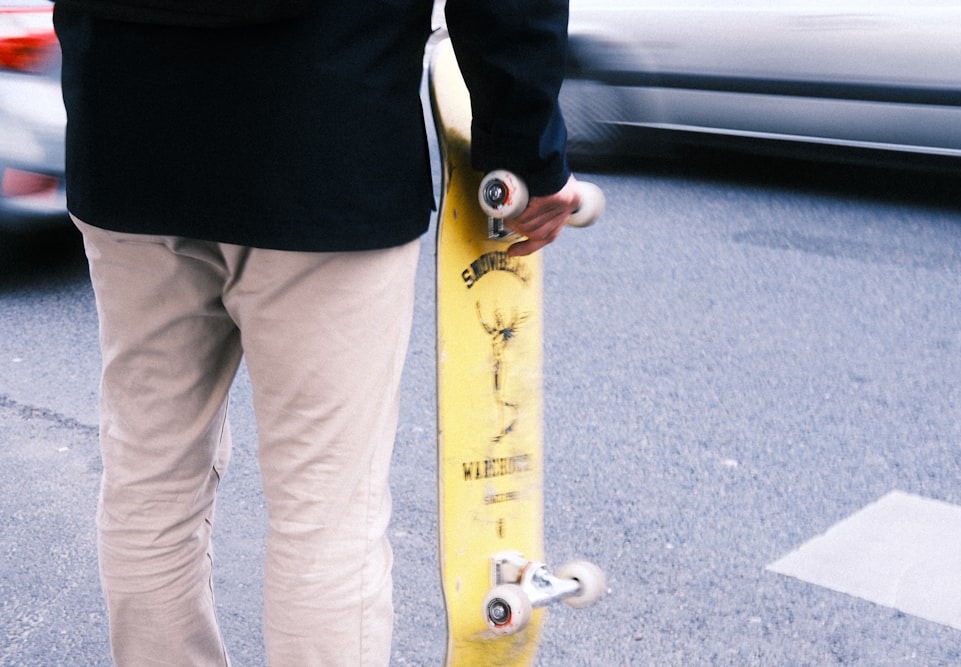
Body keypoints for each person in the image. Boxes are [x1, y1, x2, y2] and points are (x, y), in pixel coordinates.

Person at [53, 0, 581, 664]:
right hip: (330, 118)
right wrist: (525, 149)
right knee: (327, 511)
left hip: (123, 115)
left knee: (150, 475)